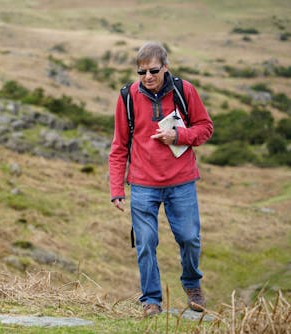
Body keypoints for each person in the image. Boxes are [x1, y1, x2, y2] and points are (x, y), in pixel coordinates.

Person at [108, 42, 213, 317]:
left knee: (189, 238)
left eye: (154, 70)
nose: (148, 77)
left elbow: (205, 128)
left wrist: (178, 136)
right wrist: (116, 188)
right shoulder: (127, 96)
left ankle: (193, 286)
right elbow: (119, 146)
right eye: (141, 72)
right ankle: (151, 300)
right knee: (145, 242)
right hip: (143, 184)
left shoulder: (184, 90)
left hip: (181, 182)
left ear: (165, 67)